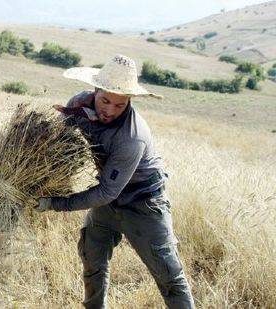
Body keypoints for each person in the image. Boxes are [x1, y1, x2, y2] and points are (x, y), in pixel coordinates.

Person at [36, 55, 195, 309]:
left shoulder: (132, 137)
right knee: (92, 256)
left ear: (129, 101)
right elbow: (60, 142)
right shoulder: (78, 103)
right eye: (105, 100)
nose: (109, 110)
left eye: (119, 105)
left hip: (144, 204)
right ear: (96, 90)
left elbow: (106, 192)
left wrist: (55, 203)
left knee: (169, 276)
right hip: (109, 200)